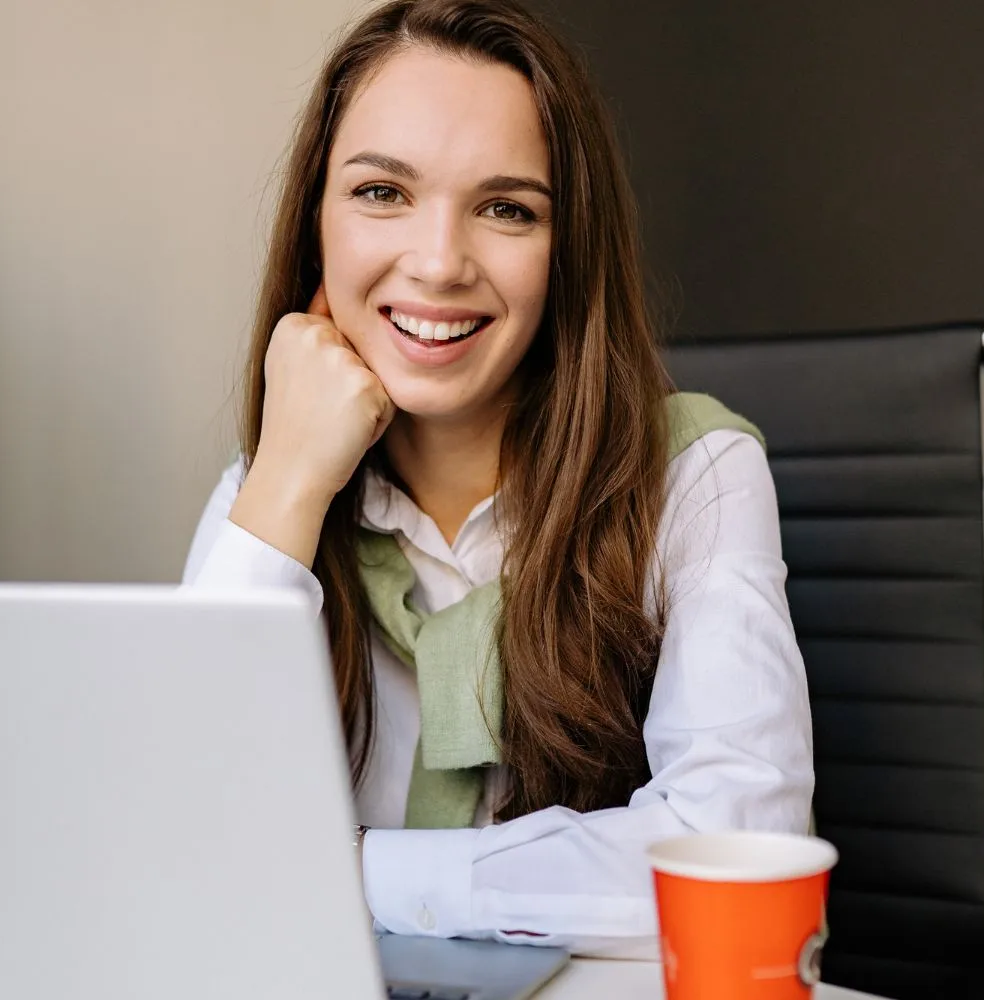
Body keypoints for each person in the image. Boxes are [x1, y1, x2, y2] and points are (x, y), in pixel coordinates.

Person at [182, 0, 812, 957]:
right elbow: (182, 846)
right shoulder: (270, 494)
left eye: (506, 208)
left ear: (567, 253)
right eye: (381, 193)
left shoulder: (698, 476)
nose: (437, 263)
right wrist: (288, 486)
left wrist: (348, 867)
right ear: (318, 223)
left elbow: (739, 850)